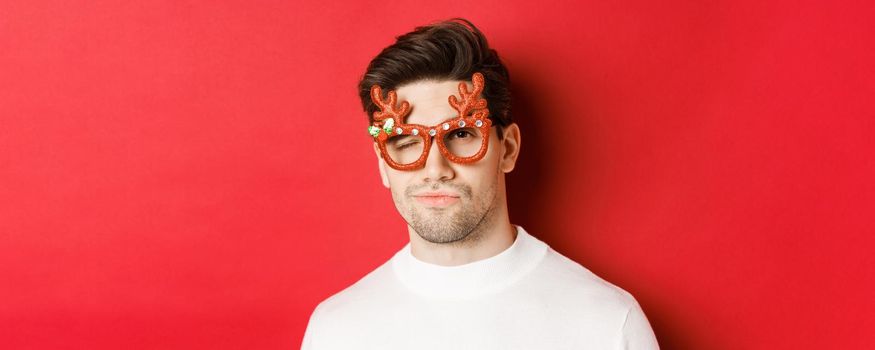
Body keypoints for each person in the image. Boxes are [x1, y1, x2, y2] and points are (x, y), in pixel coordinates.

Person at [301, 18, 659, 350]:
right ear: (383, 164)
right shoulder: (338, 331)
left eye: (460, 134)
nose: (434, 168)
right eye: (406, 142)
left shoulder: (607, 324)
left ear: (509, 149)